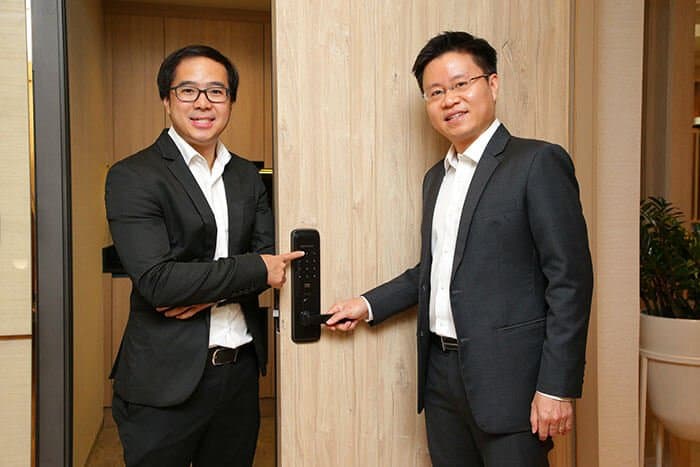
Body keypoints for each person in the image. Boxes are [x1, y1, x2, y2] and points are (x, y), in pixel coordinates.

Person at [326, 31, 593, 467]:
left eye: (461, 84)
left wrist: (556, 387)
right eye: (435, 92)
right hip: (441, 377)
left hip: (513, 383)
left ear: (493, 84)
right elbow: (435, 270)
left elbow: (570, 281)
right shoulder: (436, 178)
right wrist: (367, 304)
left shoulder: (537, 162)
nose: (449, 99)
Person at [105, 44, 302, 467]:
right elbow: (158, 282)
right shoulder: (133, 175)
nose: (203, 103)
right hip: (163, 383)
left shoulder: (247, 175)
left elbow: (271, 262)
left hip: (239, 373)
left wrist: (205, 288)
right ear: (166, 99)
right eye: (188, 91)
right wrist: (253, 271)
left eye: (216, 91)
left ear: (230, 101)